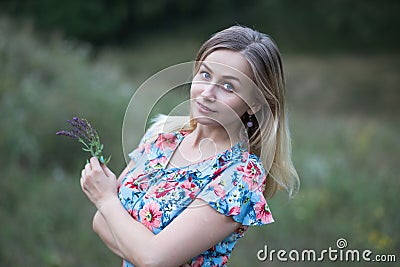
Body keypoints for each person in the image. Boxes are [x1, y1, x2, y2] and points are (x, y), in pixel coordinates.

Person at [80, 25, 300, 267]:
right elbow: (100, 223)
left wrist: (107, 200)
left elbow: (152, 259)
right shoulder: (162, 135)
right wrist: (145, 249)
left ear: (254, 104)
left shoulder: (239, 177)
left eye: (228, 87)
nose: (207, 93)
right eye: (205, 75)